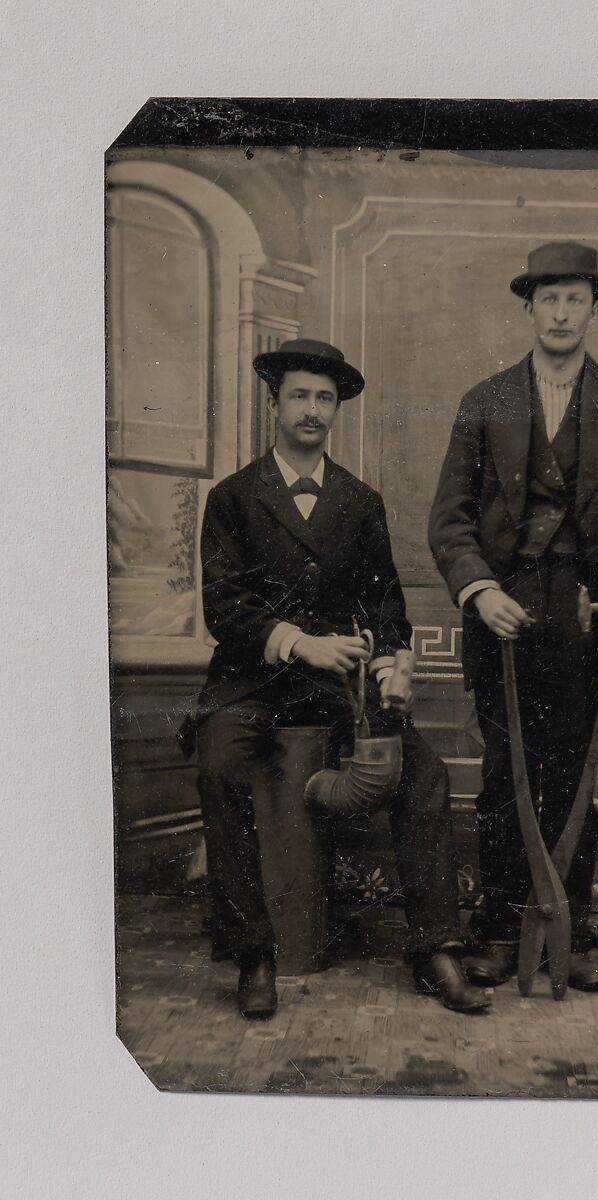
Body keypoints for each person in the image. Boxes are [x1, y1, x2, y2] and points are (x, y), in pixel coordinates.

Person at [192, 339, 488, 1018]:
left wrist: (393, 661)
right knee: (217, 764)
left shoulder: (360, 501)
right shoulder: (233, 498)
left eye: (324, 398)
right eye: (299, 395)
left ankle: (434, 947)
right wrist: (300, 644)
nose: (312, 410)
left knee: (424, 774)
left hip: (340, 689)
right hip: (251, 678)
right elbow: (224, 607)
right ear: (275, 403)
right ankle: (253, 954)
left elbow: (385, 606)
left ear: (337, 409)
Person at [428, 242, 598, 991]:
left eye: (576, 299)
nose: (563, 313)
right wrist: (478, 589)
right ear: (529, 308)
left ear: (595, 309)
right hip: (504, 613)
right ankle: (505, 927)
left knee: (574, 773)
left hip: (590, 617)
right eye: (550, 299)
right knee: (508, 772)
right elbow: (449, 521)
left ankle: (563, 925)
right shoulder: (486, 402)